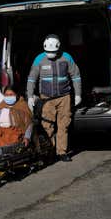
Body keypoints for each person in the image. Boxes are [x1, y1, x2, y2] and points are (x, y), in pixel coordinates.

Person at [26, 34, 81, 162]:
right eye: (48, 52)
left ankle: (61, 152)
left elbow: (76, 76)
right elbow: (31, 78)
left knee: (64, 124)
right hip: (46, 98)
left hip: (64, 97)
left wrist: (78, 94)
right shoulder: (39, 59)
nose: (51, 54)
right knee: (47, 125)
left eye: (53, 52)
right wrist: (29, 96)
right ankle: (49, 151)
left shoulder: (67, 57)